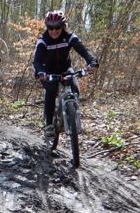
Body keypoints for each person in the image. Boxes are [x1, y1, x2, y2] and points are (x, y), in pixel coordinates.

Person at [33, 11, 98, 140]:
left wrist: (92, 62)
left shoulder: (69, 37)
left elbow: (84, 51)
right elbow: (37, 61)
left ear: (63, 26)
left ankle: (70, 115)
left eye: (57, 27)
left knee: (74, 89)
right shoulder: (43, 40)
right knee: (51, 90)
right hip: (48, 72)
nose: (54, 31)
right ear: (47, 27)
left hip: (65, 69)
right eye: (50, 28)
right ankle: (49, 125)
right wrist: (40, 72)